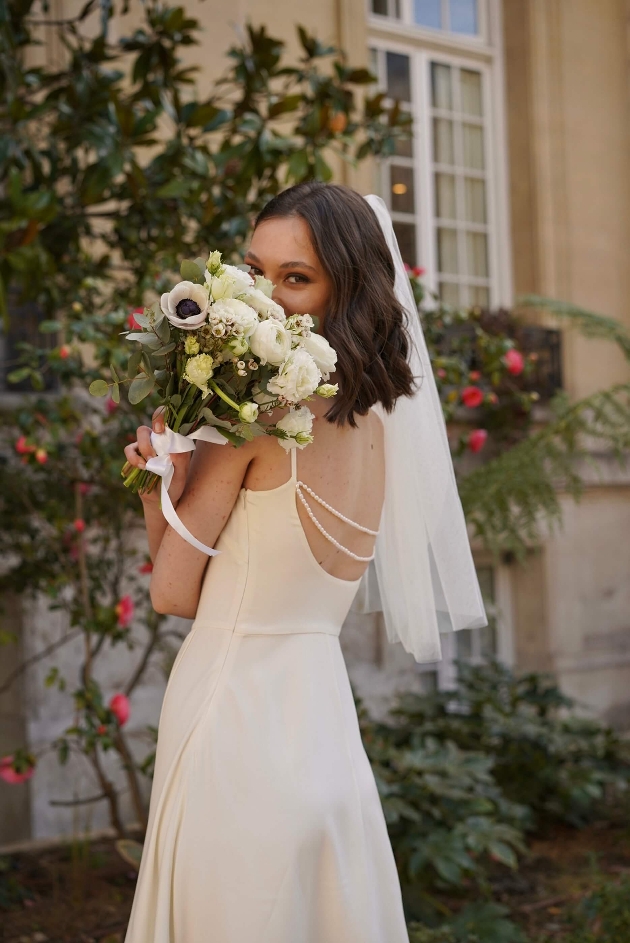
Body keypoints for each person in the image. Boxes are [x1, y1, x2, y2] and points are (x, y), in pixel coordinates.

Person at [122, 181, 487, 942]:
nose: (267, 299)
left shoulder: (258, 426)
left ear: (342, 292)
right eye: (256, 272)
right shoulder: (381, 429)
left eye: (298, 278)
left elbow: (173, 592)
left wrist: (160, 487)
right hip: (320, 726)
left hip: (236, 723)